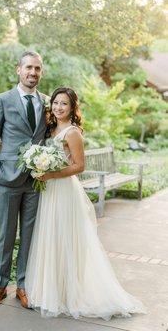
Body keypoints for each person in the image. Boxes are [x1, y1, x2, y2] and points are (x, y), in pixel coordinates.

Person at [25, 87, 147, 320]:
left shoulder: (73, 133)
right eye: (56, 103)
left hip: (63, 191)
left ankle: (69, 293)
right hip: (49, 192)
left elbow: (79, 166)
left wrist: (50, 174)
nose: (59, 107)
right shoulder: (50, 129)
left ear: (72, 108)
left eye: (64, 104)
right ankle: (50, 290)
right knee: (50, 236)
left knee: (65, 238)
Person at [0, 51, 47, 308]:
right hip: (7, 179)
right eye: (29, 68)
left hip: (35, 181)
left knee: (30, 236)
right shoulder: (2, 100)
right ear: (18, 70)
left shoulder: (47, 102)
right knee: (6, 235)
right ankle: (0, 286)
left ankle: (23, 285)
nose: (33, 73)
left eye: (38, 69)